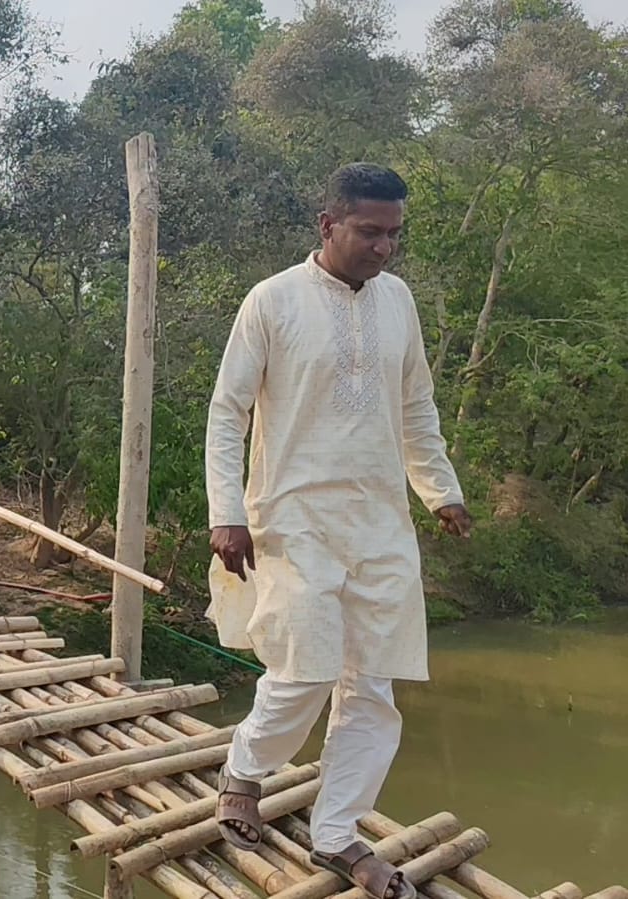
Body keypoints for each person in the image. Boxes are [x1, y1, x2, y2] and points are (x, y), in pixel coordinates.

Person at [204, 163, 473, 899]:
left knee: (372, 683)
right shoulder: (272, 301)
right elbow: (228, 411)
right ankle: (244, 770)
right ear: (327, 225)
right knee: (305, 668)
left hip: (380, 519)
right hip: (292, 519)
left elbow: (416, 404)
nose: (383, 248)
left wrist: (439, 490)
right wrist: (223, 510)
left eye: (393, 234)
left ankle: (336, 833)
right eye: (368, 231)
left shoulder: (398, 302)